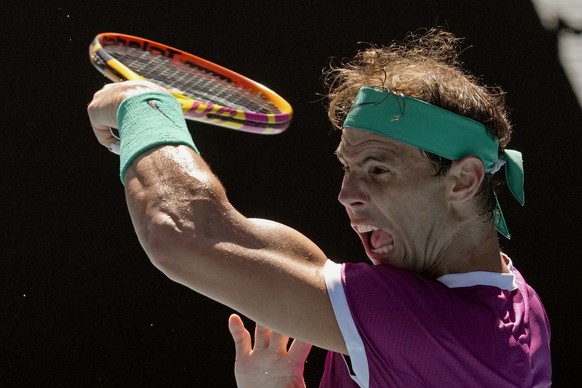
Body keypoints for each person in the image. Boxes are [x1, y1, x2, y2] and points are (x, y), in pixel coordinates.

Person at [87, 28, 551, 387]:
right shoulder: (519, 304)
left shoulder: (430, 326)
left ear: (463, 179)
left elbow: (184, 235)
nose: (347, 194)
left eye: (378, 169)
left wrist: (143, 109)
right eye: (347, 168)